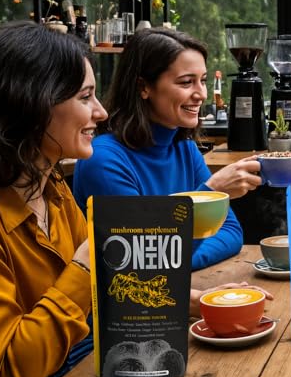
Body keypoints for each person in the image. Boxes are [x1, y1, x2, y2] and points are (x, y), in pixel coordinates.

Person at [0, 22, 107, 377]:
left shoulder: (52, 189)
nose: (101, 112)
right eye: (85, 97)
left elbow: (104, 296)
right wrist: (85, 265)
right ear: (31, 104)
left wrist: (196, 303)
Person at [73, 28, 262, 270]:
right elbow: (144, 261)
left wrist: (177, 262)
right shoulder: (103, 160)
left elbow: (231, 232)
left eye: (202, 81)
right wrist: (209, 193)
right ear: (143, 87)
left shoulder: (185, 149)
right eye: (186, 82)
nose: (201, 94)